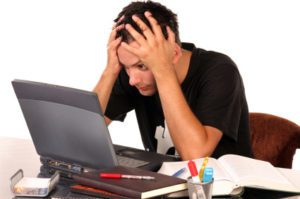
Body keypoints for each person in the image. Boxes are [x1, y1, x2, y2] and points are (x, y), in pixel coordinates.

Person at [93, 1, 253, 160]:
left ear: (175, 54)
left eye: (142, 66)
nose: (132, 80)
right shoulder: (132, 75)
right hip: (167, 182)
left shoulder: (220, 70)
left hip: (221, 183)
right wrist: (110, 71)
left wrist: (162, 70)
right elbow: (78, 134)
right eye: (126, 67)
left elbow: (194, 155)